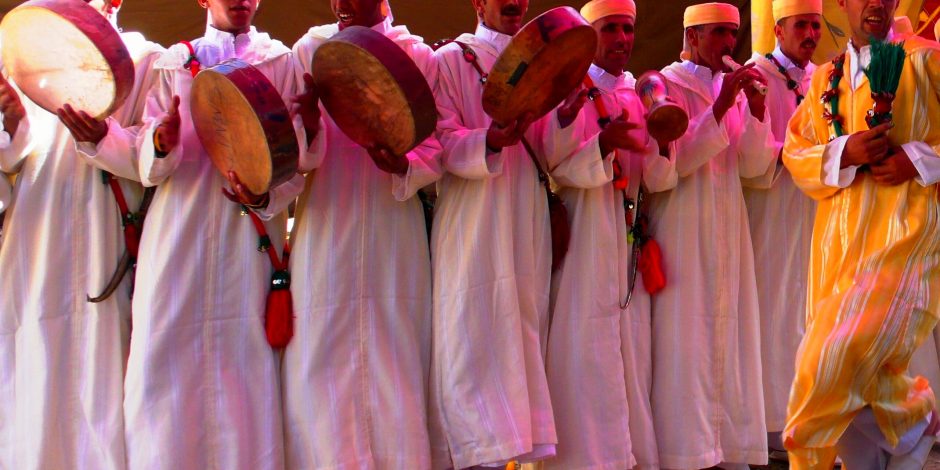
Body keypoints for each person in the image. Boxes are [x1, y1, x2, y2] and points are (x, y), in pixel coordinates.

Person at [123, 0, 305, 467]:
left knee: (244, 364)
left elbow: (293, 162)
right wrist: (160, 142)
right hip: (176, 236)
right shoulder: (173, 62)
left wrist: (264, 200)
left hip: (246, 236)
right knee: (163, 355)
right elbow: (145, 152)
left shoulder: (279, 62)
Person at [428, 0, 602, 466]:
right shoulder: (450, 60)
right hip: (471, 217)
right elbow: (438, 139)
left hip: (524, 212)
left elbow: (549, 152)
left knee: (522, 325)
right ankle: (473, 452)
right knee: (470, 326)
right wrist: (486, 141)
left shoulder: (545, 58)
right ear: (478, 4)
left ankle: (516, 451)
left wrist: (564, 116)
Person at [271, 0, 442, 467]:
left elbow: (436, 143)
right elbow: (291, 149)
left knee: (397, 355)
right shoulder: (309, 49)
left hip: (394, 226)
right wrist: (308, 125)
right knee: (319, 354)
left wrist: (407, 164)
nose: (341, 4)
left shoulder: (418, 55)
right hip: (326, 225)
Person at [0, 0, 163, 467]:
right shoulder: (18, 41)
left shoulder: (146, 57)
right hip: (37, 228)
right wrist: (12, 125)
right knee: (35, 365)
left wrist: (105, 138)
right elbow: (11, 158)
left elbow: (152, 160)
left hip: (105, 232)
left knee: (104, 372)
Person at [782, 0, 940, 466]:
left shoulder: (923, 60)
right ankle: (911, 420)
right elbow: (795, 152)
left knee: (821, 367)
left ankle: (911, 413)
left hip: (902, 241)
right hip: (835, 250)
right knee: (852, 391)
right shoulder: (824, 79)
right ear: (844, 4)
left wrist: (917, 159)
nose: (876, 3)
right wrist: (844, 152)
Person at [541, 0, 676, 468]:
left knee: (631, 353)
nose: (622, 38)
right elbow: (552, 167)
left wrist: (664, 138)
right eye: (610, 29)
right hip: (583, 240)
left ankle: (632, 455)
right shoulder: (568, 92)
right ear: (588, 35)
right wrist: (601, 143)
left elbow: (659, 180)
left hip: (627, 241)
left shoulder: (644, 93)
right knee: (584, 350)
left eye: (628, 29)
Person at [649, 3, 776, 468]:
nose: (728, 44)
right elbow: (671, 165)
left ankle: (726, 447)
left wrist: (757, 110)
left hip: (728, 227)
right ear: (693, 36)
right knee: (685, 338)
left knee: (728, 335)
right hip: (683, 227)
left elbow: (755, 170)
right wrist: (722, 105)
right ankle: (684, 449)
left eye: (733, 34)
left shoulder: (737, 89)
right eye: (719, 33)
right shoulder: (664, 85)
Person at [742, 0, 821, 459]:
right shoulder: (756, 75)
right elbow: (748, 156)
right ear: (778, 29)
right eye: (801, 25)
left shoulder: (822, 79)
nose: (810, 33)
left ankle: (805, 420)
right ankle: (771, 426)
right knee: (771, 311)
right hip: (769, 212)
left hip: (811, 211)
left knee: (807, 312)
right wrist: (795, 156)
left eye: (815, 25)